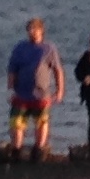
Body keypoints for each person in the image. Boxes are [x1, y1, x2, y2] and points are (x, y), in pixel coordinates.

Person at [7, 18, 61, 157]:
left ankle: (39, 150)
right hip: (21, 93)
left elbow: (57, 70)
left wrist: (59, 90)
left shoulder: (48, 49)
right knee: (16, 122)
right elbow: (12, 68)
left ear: (41, 31)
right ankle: (16, 150)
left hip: (41, 93)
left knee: (41, 122)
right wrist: (10, 86)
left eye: (34, 29)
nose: (31, 32)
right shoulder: (20, 47)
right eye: (29, 29)